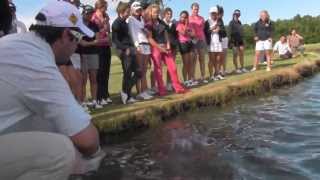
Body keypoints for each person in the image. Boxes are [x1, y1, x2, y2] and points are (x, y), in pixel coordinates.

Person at [0, 1, 105, 180]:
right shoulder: (36, 61)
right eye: (78, 38)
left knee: (50, 125)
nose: (77, 45)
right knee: (61, 153)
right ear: (66, 34)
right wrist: (97, 158)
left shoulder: (16, 43)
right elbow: (88, 140)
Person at [145, 4, 187, 96]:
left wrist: (168, 45)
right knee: (158, 70)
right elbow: (150, 39)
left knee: (173, 67)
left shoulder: (161, 22)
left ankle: (178, 88)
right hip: (155, 48)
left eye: (158, 12)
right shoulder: (148, 24)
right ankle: (162, 90)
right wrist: (160, 48)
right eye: (155, 12)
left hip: (165, 47)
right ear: (150, 13)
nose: (157, 14)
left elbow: (166, 34)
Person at [112, 2, 139, 104]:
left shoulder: (125, 23)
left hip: (131, 49)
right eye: (127, 12)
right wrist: (124, 49)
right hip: (124, 51)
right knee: (127, 73)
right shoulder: (116, 23)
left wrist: (133, 47)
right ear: (121, 12)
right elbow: (115, 40)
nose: (129, 13)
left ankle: (125, 91)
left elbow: (128, 38)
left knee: (138, 72)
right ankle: (127, 96)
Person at [128, 1, 153, 100]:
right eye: (137, 9)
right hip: (139, 45)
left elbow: (144, 31)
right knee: (139, 70)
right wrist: (136, 45)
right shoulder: (131, 19)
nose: (138, 11)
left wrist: (146, 32)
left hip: (146, 44)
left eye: (139, 9)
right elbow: (132, 33)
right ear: (133, 9)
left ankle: (144, 91)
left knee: (144, 70)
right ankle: (139, 92)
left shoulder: (141, 18)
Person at [79, 5, 103, 109]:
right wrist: (91, 42)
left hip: (93, 53)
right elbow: (81, 43)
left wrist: (89, 43)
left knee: (93, 78)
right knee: (83, 80)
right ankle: (83, 101)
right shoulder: (78, 25)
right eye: (87, 13)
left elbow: (97, 40)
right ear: (83, 13)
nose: (89, 15)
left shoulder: (94, 25)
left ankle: (94, 101)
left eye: (90, 13)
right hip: (82, 53)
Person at [92, 0, 113, 105]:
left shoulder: (106, 17)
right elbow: (95, 33)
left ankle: (106, 95)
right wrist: (104, 27)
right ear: (99, 7)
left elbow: (108, 30)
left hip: (106, 46)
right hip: (98, 47)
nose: (107, 9)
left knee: (106, 72)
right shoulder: (94, 17)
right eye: (105, 7)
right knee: (100, 73)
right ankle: (99, 97)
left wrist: (107, 23)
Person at [176, 11, 196, 87]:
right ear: (180, 17)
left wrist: (189, 32)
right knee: (186, 64)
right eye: (182, 17)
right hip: (183, 44)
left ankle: (190, 79)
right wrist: (187, 29)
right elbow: (183, 33)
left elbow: (193, 34)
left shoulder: (190, 25)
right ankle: (185, 80)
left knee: (190, 63)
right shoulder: (178, 25)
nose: (184, 18)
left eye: (185, 17)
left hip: (190, 43)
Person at [189, 3, 208, 84]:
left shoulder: (202, 18)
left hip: (201, 40)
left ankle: (203, 77)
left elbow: (202, 29)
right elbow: (188, 30)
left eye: (197, 9)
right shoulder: (189, 18)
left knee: (202, 59)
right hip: (193, 40)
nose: (196, 10)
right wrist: (193, 37)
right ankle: (193, 78)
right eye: (194, 9)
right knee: (193, 60)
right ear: (191, 9)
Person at [204, 6, 223, 81]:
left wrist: (219, 29)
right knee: (211, 60)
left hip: (218, 41)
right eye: (212, 13)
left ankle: (217, 74)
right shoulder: (207, 22)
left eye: (215, 13)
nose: (214, 15)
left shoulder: (219, 21)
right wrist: (213, 28)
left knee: (218, 59)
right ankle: (211, 75)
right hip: (211, 42)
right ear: (210, 14)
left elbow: (221, 30)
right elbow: (206, 32)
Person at [163, 7, 179, 91]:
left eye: (170, 14)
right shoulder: (162, 23)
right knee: (159, 68)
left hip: (173, 47)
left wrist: (176, 44)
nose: (169, 15)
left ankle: (169, 83)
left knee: (171, 67)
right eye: (168, 14)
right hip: (165, 48)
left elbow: (176, 36)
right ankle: (156, 86)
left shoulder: (173, 24)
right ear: (164, 14)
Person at [229, 9, 248, 74]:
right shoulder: (231, 22)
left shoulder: (239, 22)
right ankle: (236, 69)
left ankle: (242, 68)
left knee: (241, 54)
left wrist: (243, 40)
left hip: (240, 41)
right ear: (234, 14)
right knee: (235, 55)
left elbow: (241, 32)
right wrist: (231, 42)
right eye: (236, 14)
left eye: (238, 14)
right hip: (234, 41)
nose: (237, 15)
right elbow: (230, 33)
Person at [217, 5, 228, 77]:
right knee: (220, 56)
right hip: (219, 39)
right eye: (222, 13)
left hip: (224, 38)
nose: (222, 14)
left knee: (224, 56)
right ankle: (219, 71)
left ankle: (224, 70)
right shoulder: (216, 20)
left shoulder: (221, 20)